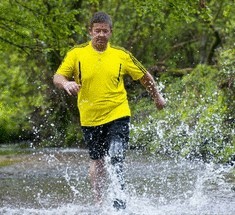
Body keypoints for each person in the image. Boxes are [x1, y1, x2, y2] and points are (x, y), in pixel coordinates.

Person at [53, 11, 166, 209]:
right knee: (97, 160)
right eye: (97, 31)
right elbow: (57, 77)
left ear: (111, 33)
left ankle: (119, 200)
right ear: (90, 31)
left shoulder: (121, 55)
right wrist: (66, 84)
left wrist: (157, 97)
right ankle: (98, 203)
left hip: (118, 112)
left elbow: (145, 76)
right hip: (89, 116)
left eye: (105, 31)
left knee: (116, 154)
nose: (101, 35)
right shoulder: (76, 53)